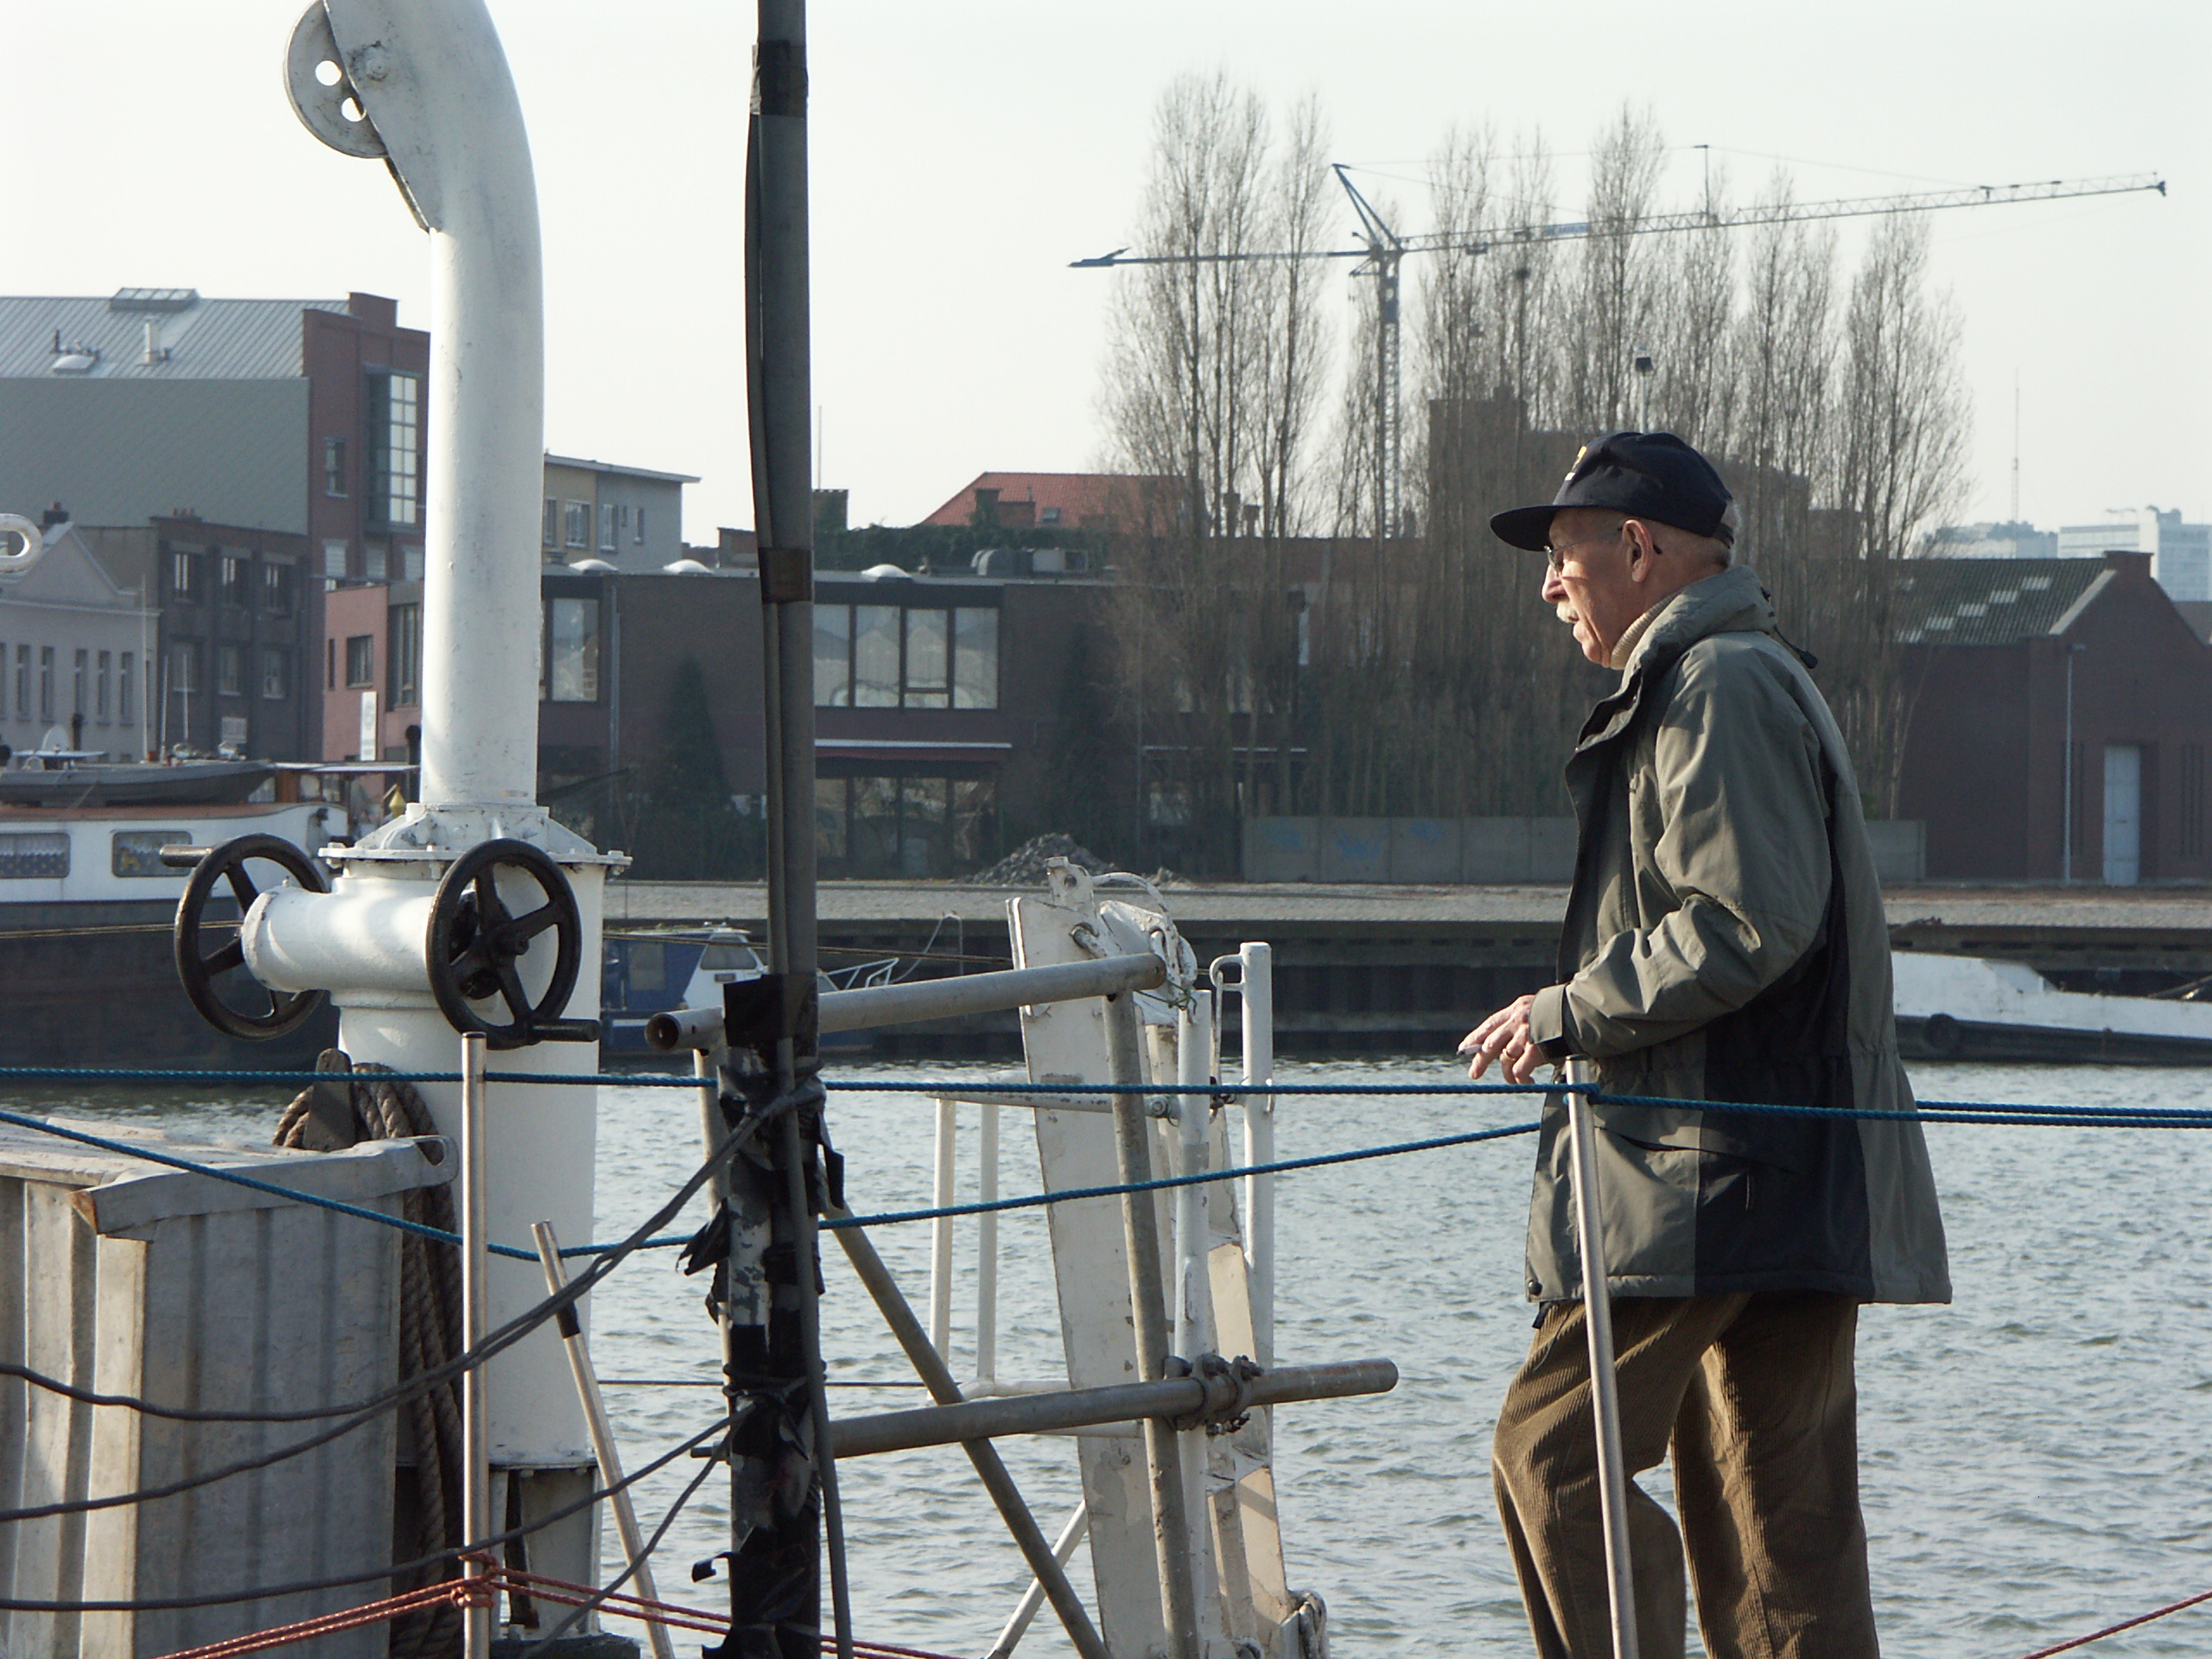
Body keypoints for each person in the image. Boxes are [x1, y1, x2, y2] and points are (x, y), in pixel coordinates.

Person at [1460, 431, 1949, 1659]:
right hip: (1783, 1167)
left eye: (1563, 552)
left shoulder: (1718, 683)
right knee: (1777, 1516)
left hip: (1710, 1171)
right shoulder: (1733, 671)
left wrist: (1563, 1011)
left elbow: (1747, 923)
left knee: (1550, 1447)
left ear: (1637, 547)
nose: (1548, 582)